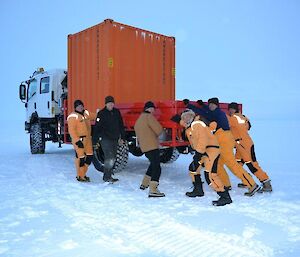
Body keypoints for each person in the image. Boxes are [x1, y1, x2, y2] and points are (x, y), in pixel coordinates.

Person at [183, 98, 260, 196]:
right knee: (218, 164)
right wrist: (203, 105)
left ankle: (252, 184)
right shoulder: (216, 112)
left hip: (224, 139)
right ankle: (226, 185)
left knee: (232, 164)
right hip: (221, 140)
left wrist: (190, 106)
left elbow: (205, 113)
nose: (211, 106)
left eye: (213, 104)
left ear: (217, 105)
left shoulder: (217, 113)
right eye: (210, 104)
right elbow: (207, 111)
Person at [179, 109, 232, 206]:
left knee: (210, 175)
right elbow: (194, 141)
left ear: (192, 116)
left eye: (188, 115)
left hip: (210, 150)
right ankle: (198, 190)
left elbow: (203, 139)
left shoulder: (197, 124)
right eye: (184, 117)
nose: (186, 118)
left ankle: (224, 196)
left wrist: (198, 154)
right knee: (193, 169)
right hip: (203, 151)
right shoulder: (189, 128)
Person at [227, 102, 272, 192]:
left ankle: (266, 183)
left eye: (232, 108)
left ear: (236, 109)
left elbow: (225, 123)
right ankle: (247, 180)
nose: (231, 110)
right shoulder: (243, 117)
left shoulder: (233, 118)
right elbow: (248, 127)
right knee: (237, 164)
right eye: (230, 109)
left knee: (252, 164)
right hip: (242, 144)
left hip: (244, 145)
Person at [134, 101, 165, 197]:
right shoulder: (149, 117)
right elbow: (159, 130)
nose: (153, 111)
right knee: (157, 167)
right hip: (152, 146)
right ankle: (153, 190)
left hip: (144, 147)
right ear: (149, 109)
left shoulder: (139, 119)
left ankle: (144, 184)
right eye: (153, 109)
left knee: (153, 164)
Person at [93, 96, 126, 183]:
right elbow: (97, 127)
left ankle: (109, 174)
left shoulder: (116, 112)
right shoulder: (101, 113)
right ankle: (106, 177)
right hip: (105, 139)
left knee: (113, 157)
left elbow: (121, 125)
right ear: (106, 104)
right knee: (109, 157)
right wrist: (95, 140)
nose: (111, 104)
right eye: (109, 103)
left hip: (115, 138)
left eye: (112, 103)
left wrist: (123, 137)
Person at [67, 99, 96, 182]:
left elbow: (95, 116)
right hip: (79, 140)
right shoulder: (73, 116)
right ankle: (80, 176)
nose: (80, 107)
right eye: (78, 106)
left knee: (89, 157)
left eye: (81, 105)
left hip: (87, 139)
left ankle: (82, 174)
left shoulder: (86, 113)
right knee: (81, 158)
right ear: (75, 107)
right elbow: (71, 131)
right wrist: (77, 141)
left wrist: (102, 114)